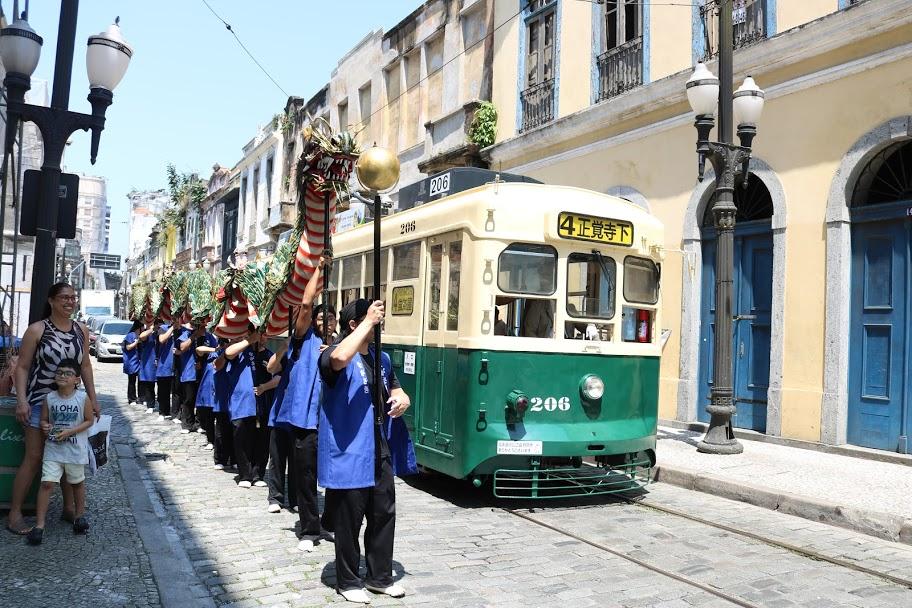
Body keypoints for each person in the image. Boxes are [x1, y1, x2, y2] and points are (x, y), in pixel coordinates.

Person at [318, 299, 417, 603]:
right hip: (349, 450)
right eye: (372, 321)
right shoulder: (333, 354)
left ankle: (379, 576)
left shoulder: (382, 359)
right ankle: (347, 580)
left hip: (379, 447)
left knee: (383, 513)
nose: (378, 325)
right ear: (354, 324)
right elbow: (342, 357)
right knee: (349, 519)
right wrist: (368, 321)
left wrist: (402, 402)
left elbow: (398, 391)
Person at [7, 282, 99, 536]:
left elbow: (86, 366)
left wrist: (92, 398)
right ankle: (15, 513)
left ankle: (70, 509)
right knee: (35, 458)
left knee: (69, 456)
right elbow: (23, 367)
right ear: (51, 301)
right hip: (39, 402)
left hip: (71, 406)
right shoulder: (37, 330)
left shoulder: (81, 329)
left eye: (74, 297)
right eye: (64, 298)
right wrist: (22, 401)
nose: (70, 302)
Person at [267, 258, 328, 549]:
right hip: (305, 417)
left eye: (329, 319)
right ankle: (308, 530)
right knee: (304, 478)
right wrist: (318, 270)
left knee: (330, 477)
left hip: (330, 420)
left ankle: (327, 523)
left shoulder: (339, 343)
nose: (324, 322)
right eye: (320, 318)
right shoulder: (303, 339)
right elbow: (305, 305)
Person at [27, 358, 93, 545]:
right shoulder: (50, 398)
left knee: (76, 483)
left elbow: (89, 420)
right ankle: (39, 525)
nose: (62, 376)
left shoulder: (82, 398)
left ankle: (79, 516)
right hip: (54, 449)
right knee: (47, 483)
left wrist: (70, 432)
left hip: (74, 449)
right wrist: (45, 426)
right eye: (59, 372)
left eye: (67, 373)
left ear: (77, 380)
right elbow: (44, 420)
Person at [224, 325, 263, 488]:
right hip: (240, 403)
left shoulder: (258, 351)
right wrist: (249, 340)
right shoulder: (237, 348)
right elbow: (228, 353)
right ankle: (244, 475)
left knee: (257, 440)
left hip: (257, 404)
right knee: (241, 439)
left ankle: (256, 474)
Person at [251, 330, 279, 487]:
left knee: (263, 438)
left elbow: (278, 376)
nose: (264, 338)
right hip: (248, 402)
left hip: (265, 401)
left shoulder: (270, 355)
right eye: (261, 334)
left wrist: (264, 387)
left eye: (265, 334)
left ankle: (258, 473)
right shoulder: (247, 353)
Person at [175, 320, 203, 434]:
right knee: (188, 399)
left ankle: (198, 423)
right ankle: (187, 424)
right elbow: (182, 347)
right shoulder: (185, 334)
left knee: (200, 400)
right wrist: (193, 336)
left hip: (201, 373)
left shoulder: (204, 336)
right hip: (188, 372)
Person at [194, 330, 219, 451]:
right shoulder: (209, 338)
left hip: (222, 382)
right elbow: (199, 349)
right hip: (209, 381)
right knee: (209, 412)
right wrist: (216, 349)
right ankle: (210, 439)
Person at [211, 338, 235, 470]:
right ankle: (220, 458)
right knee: (221, 431)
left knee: (235, 431)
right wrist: (227, 350)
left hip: (235, 399)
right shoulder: (217, 354)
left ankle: (234, 458)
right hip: (222, 398)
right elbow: (216, 365)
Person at [155, 320, 177, 422]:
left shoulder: (181, 330)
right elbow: (162, 339)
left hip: (176, 365)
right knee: (163, 391)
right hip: (164, 365)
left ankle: (175, 414)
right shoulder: (163, 328)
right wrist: (172, 328)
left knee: (176, 391)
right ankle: (163, 412)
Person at [137, 321, 157, 412]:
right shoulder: (148, 334)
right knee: (149, 385)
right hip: (149, 362)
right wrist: (152, 329)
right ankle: (150, 405)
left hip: (161, 362)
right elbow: (141, 336)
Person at [122, 320, 142, 405]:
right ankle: (131, 398)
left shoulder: (140, 335)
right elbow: (128, 347)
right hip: (131, 361)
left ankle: (140, 397)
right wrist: (137, 342)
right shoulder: (130, 335)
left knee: (141, 380)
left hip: (138, 361)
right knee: (132, 380)